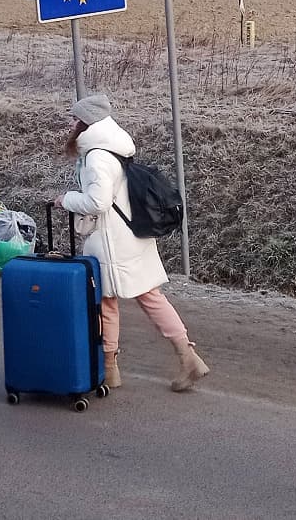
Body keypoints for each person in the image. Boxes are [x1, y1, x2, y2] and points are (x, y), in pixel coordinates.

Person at [57, 94, 210, 393]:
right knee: (151, 297)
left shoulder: (97, 156)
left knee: (106, 303)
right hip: (131, 236)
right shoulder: (115, 148)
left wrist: (66, 200)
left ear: (86, 122)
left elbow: (97, 202)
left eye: (76, 119)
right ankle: (187, 356)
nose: (72, 124)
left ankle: (111, 369)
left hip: (111, 242)